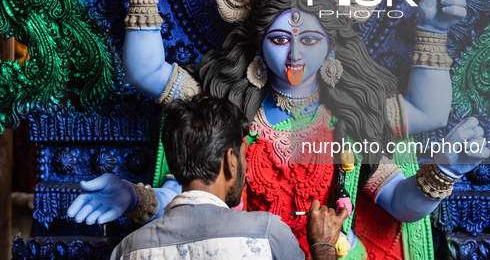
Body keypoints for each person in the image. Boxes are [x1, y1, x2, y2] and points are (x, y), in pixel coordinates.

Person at [68, 0, 490, 258]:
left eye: (309, 39)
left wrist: (443, 173)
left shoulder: (349, 114)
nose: (294, 55)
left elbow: (401, 199)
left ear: (332, 46)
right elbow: (153, 92)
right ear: (256, 43)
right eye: (279, 38)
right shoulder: (225, 104)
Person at [110, 93, 347, 260]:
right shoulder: (266, 234)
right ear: (230, 161)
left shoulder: (128, 250)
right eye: (244, 156)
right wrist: (323, 247)